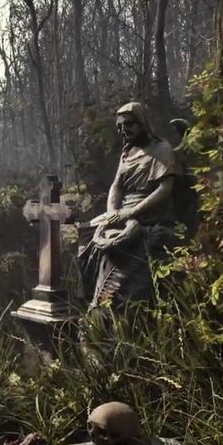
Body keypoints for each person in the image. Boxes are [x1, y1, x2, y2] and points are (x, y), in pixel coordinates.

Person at [79, 102, 179, 312]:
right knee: (86, 231)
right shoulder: (128, 153)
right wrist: (112, 212)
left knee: (120, 244)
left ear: (142, 123)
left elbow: (164, 190)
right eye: (121, 126)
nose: (125, 130)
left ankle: (109, 300)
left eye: (130, 125)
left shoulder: (161, 149)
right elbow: (116, 186)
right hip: (122, 213)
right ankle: (90, 295)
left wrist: (131, 213)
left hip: (148, 214)